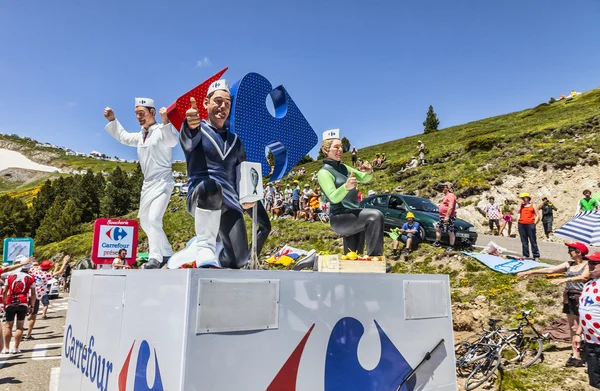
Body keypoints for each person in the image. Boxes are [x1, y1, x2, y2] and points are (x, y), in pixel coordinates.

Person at [178, 80, 256, 269]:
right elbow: (188, 139)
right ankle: (204, 245)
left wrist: (248, 197)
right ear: (206, 103)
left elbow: (243, 173)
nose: (223, 107)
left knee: (239, 260)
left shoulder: (235, 140)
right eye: (218, 101)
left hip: (229, 203)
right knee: (212, 187)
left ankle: (214, 250)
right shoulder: (197, 130)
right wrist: (189, 124)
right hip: (202, 196)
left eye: (227, 103)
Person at [104, 98, 178, 269]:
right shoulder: (140, 136)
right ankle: (167, 252)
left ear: (152, 113)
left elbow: (172, 141)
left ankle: (155, 257)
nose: (139, 117)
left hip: (163, 182)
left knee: (154, 219)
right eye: (137, 114)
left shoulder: (161, 130)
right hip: (148, 185)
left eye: (142, 113)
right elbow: (123, 137)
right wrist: (112, 120)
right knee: (145, 221)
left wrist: (166, 121)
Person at [518, 242, 589, 367]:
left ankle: (587, 351)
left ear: (579, 252)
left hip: (583, 298)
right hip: (570, 297)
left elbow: (584, 277)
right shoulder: (569, 264)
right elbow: (551, 269)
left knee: (584, 327)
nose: (568, 252)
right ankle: (575, 356)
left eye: (571, 250)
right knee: (573, 327)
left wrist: (566, 279)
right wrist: (531, 272)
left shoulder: (587, 264)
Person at [317, 129, 383, 255]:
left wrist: (369, 171)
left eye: (341, 147)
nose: (340, 150)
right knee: (375, 216)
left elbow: (364, 178)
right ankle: (376, 259)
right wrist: (345, 187)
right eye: (336, 147)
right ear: (326, 150)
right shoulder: (324, 172)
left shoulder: (344, 167)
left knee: (354, 256)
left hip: (354, 215)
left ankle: (356, 270)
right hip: (340, 217)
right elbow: (333, 198)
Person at [574, 252, 600, 388]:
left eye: (594, 263)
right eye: (589, 262)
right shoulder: (588, 284)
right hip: (590, 340)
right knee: (594, 379)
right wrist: (578, 333)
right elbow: (583, 311)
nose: (590, 265)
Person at [2, 264, 36, 354]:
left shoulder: (9, 276)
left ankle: (6, 348)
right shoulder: (31, 278)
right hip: (23, 302)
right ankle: (16, 348)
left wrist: (4, 303)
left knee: (8, 326)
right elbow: (33, 294)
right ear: (28, 268)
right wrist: (32, 305)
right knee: (20, 326)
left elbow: (5, 291)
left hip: (10, 301)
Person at [433, 182, 457, 251]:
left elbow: (451, 206)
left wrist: (447, 216)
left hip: (448, 217)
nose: (443, 188)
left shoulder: (450, 196)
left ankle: (451, 246)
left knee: (450, 231)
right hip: (443, 217)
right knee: (437, 228)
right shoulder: (447, 196)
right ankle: (437, 243)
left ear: (448, 188)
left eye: (444, 187)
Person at [517, 193, 540, 261]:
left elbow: (537, 215)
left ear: (528, 198)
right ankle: (525, 255)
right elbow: (518, 212)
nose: (523, 199)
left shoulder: (533, 205)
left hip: (530, 224)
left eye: (524, 198)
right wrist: (518, 219)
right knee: (524, 241)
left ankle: (536, 255)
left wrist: (534, 223)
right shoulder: (521, 206)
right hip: (521, 224)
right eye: (522, 198)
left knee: (533, 240)